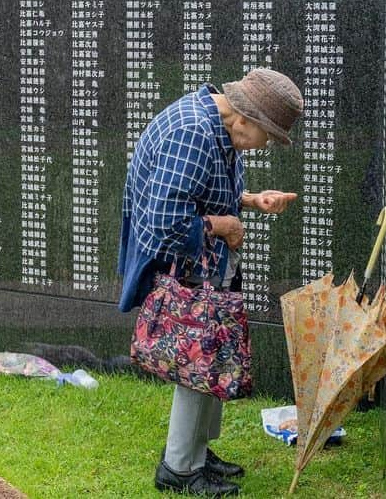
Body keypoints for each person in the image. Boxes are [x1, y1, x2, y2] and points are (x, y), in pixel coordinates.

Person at [120, 70, 303, 497]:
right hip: (181, 265)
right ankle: (180, 468)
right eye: (267, 136)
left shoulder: (214, 122)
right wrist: (223, 225)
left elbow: (192, 189)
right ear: (243, 118)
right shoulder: (192, 134)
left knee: (210, 350)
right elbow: (163, 225)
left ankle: (197, 453)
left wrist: (249, 200)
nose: (264, 146)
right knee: (196, 358)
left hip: (201, 262)